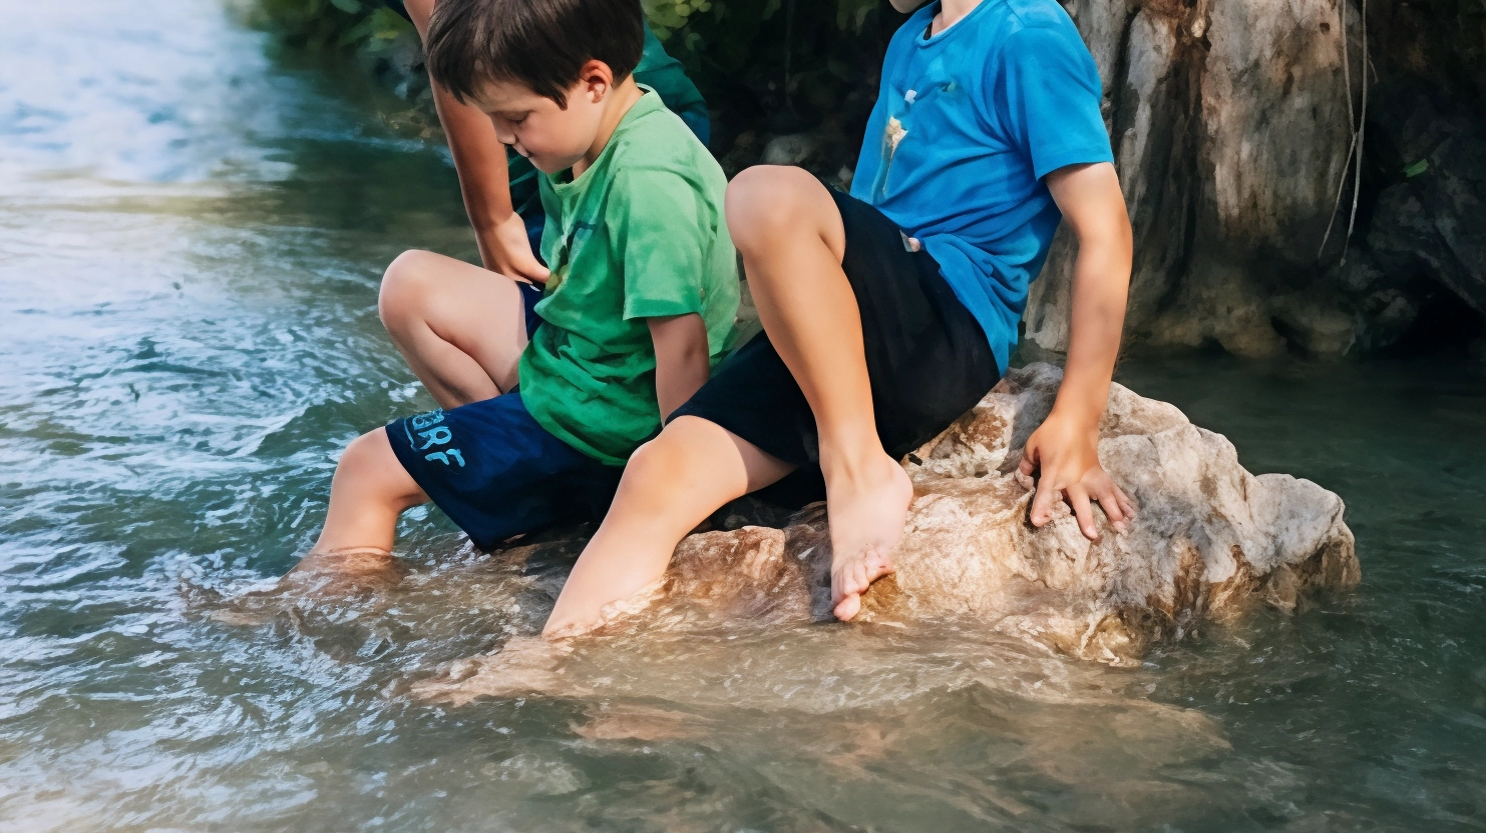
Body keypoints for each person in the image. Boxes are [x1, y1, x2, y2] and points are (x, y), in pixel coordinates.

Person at [536, 0, 1137, 637]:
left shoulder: (1028, 31)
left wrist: (1078, 417)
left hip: (942, 326)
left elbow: (1106, 235)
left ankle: (858, 469)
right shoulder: (912, 37)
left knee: (763, 195)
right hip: (853, 345)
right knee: (656, 472)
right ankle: (545, 663)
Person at [280, 0, 740, 585]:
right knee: (410, 282)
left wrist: (677, 497)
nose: (502, 136)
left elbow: (682, 346)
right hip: (583, 368)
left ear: (593, 81)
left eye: (516, 118)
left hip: (605, 421)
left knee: (367, 470)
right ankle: (522, 494)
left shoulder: (648, 184)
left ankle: (313, 613)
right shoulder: (597, 136)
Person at [370, 0, 710, 411]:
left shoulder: (628, 160)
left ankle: (612, 444)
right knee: (578, 312)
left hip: (572, 99)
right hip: (572, 88)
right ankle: (530, 433)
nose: (501, 134)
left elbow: (465, 63)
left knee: (615, 317)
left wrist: (493, 220)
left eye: (508, 122)